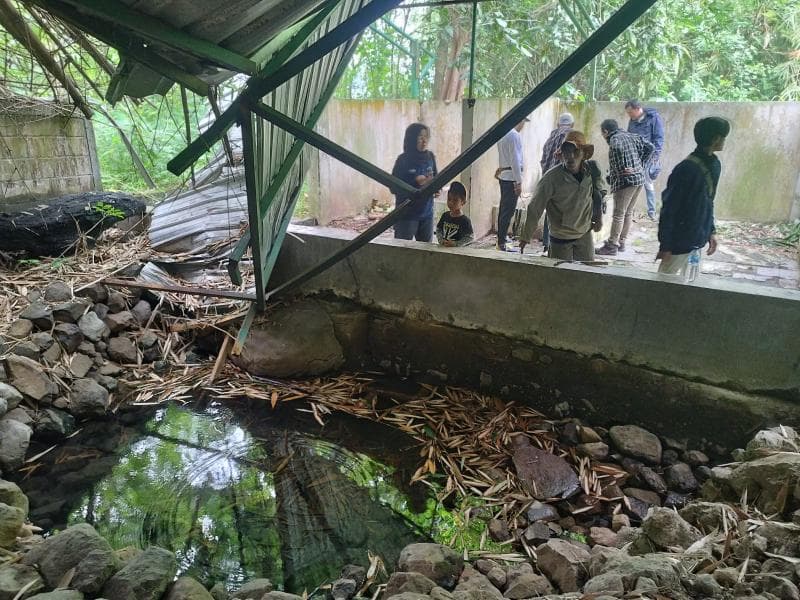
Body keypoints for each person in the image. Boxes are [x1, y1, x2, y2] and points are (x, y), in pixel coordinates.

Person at [656, 116, 731, 276]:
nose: (724, 140)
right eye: (723, 136)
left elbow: (708, 202)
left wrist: (711, 231)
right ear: (716, 138)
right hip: (678, 242)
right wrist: (666, 246)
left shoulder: (714, 164)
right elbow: (669, 209)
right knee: (663, 288)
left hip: (697, 238)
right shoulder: (685, 169)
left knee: (689, 288)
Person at [519, 131, 606, 261]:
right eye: (566, 152)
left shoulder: (592, 170)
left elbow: (598, 194)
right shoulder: (551, 178)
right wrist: (526, 237)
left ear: (584, 154)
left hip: (584, 234)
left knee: (586, 276)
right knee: (560, 277)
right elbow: (535, 207)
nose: (570, 157)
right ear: (561, 155)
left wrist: (598, 218)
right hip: (561, 237)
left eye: (576, 152)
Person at [596, 119, 654, 256]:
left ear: (605, 131)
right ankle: (621, 242)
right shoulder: (632, 136)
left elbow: (617, 152)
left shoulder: (614, 140)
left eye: (602, 133)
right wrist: (640, 165)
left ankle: (612, 245)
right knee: (628, 212)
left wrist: (620, 171)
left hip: (626, 182)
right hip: (639, 179)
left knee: (618, 214)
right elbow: (650, 147)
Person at [390, 123, 438, 242]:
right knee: (402, 251)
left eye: (426, 137)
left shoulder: (430, 157)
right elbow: (393, 187)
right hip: (406, 215)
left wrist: (437, 189)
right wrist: (414, 182)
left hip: (427, 214)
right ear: (412, 139)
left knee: (426, 253)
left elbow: (436, 177)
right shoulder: (403, 160)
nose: (424, 140)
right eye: (420, 137)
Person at [538, 112, 575, 253]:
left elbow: (543, 161)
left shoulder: (550, 138)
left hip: (548, 179)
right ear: (572, 124)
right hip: (563, 181)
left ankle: (547, 243)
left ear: (558, 124)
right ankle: (561, 244)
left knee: (550, 211)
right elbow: (570, 161)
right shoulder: (571, 137)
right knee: (564, 213)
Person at [626, 100, 665, 220]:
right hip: (635, 156)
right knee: (633, 181)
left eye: (631, 112)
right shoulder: (632, 120)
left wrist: (655, 156)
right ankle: (629, 210)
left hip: (649, 156)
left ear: (638, 109)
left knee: (647, 182)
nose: (629, 115)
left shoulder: (653, 118)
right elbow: (629, 136)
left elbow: (659, 138)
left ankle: (651, 212)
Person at [495, 118, 528, 251]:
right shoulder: (514, 135)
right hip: (511, 177)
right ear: (519, 121)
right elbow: (515, 160)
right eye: (523, 122)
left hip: (505, 176)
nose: (523, 126)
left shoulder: (503, 133)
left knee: (504, 208)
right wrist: (518, 182)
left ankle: (501, 237)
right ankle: (501, 242)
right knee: (508, 211)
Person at [435, 182, 474, 247]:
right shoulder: (445, 215)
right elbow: (439, 230)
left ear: (463, 202)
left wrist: (456, 243)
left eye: (455, 200)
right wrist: (441, 240)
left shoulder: (465, 220)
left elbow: (470, 238)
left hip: (457, 253)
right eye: (449, 199)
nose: (451, 203)